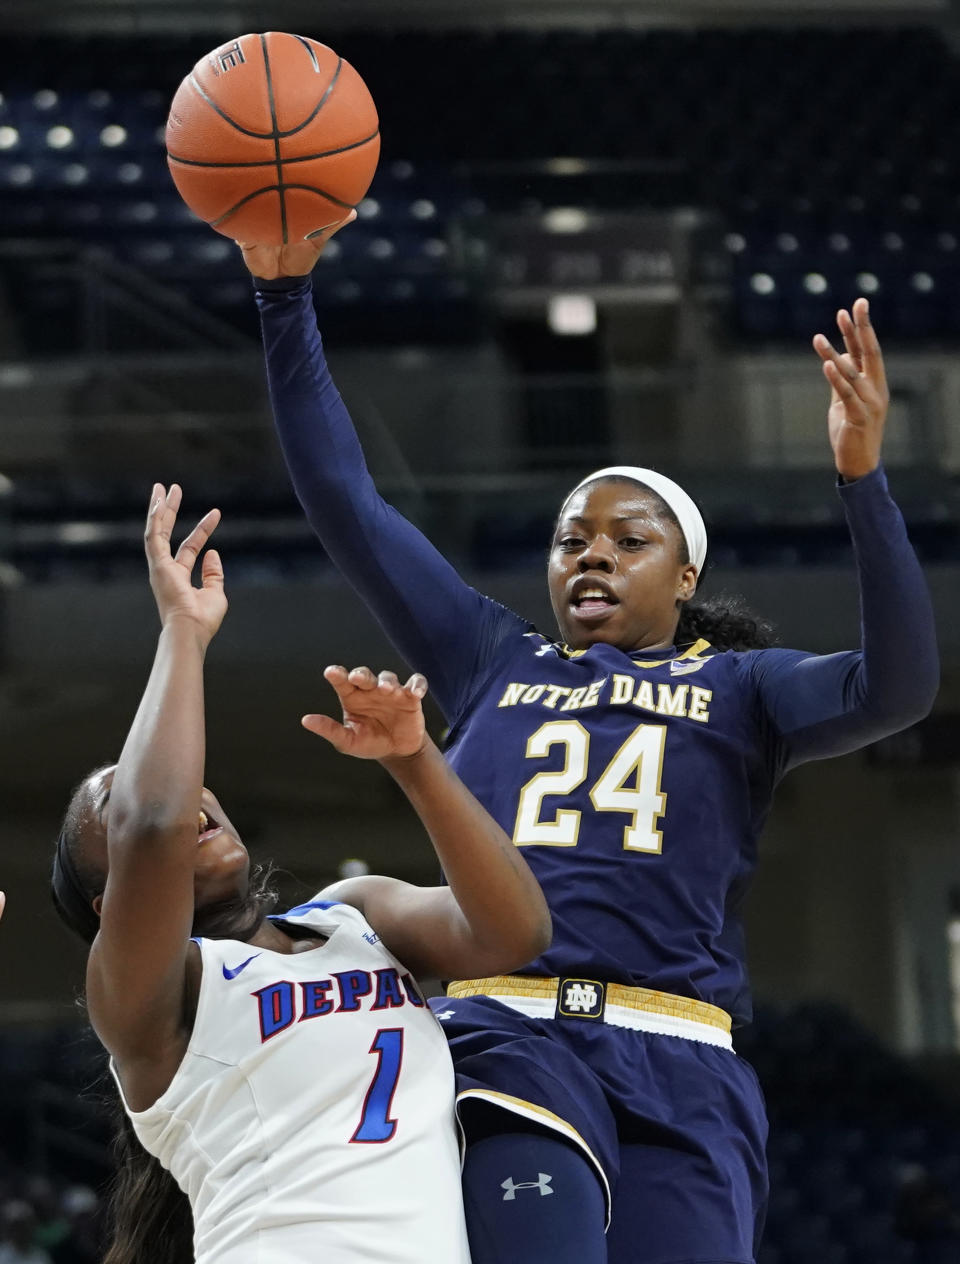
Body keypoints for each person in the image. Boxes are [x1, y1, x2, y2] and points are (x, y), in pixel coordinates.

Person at [242, 227, 938, 1264]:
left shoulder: (743, 687)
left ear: (686, 577)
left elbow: (899, 687)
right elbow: (347, 502)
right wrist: (282, 292)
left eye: (628, 539)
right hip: (511, 1034)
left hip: (684, 1055)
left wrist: (862, 478)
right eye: (573, 539)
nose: (593, 555)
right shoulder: (486, 654)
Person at [50, 483, 551, 1264]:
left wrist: (416, 761)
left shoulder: (353, 917)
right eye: (118, 807)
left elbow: (515, 931)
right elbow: (152, 824)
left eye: (188, 786)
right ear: (110, 900)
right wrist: (183, 629)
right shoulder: (149, 997)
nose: (190, 799)